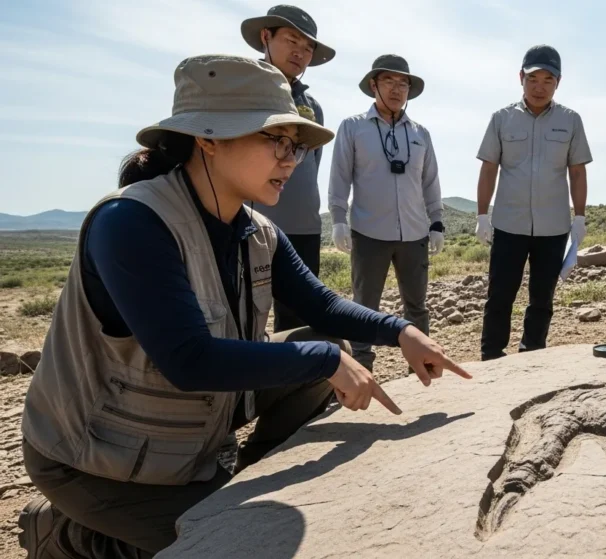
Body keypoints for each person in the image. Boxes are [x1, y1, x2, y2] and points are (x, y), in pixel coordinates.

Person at [17, 54, 469, 559]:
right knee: (233, 544)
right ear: (208, 139)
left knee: (321, 345)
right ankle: (67, 536)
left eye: (295, 146)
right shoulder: (131, 222)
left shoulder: (257, 231)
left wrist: (402, 331)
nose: (290, 160)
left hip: (181, 436)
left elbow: (320, 305)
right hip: (96, 456)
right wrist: (326, 360)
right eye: (275, 140)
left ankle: (237, 486)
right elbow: (189, 361)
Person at [475, 45, 592, 361]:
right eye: (533, 79)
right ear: (521, 78)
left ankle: (533, 354)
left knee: (542, 298)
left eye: (548, 80)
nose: (539, 87)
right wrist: (482, 215)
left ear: (558, 82)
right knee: (500, 295)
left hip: (553, 227)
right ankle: (491, 356)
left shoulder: (571, 120)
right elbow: (489, 168)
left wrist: (580, 217)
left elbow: (577, 171)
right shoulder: (501, 119)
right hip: (508, 224)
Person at [328, 55, 444, 372]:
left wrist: (436, 222)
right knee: (364, 306)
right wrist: (338, 219)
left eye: (403, 83)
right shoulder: (352, 127)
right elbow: (339, 177)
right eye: (388, 81)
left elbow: (430, 182)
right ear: (373, 85)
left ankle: (422, 368)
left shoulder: (421, 133)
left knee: (417, 306)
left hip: (415, 233)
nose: (396, 89)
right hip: (368, 233)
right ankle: (361, 370)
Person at [240, 5, 333, 332]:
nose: (300, 53)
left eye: (308, 48)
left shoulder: (312, 107)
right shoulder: (241, 91)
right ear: (266, 36)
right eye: (292, 41)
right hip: (247, 224)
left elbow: (311, 165)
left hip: (303, 228)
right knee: (242, 316)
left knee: (300, 321)